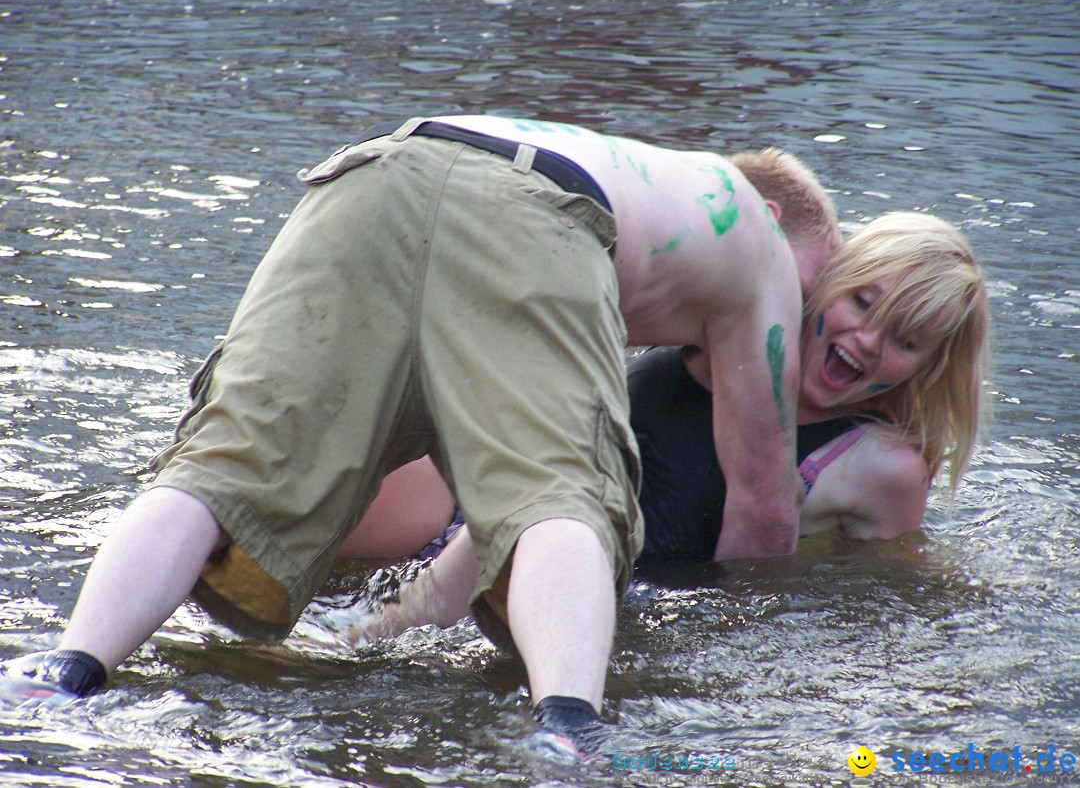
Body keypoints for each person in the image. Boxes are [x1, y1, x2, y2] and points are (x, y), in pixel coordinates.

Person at [1, 115, 840, 754]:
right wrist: (739, 639)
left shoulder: (644, 177)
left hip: (371, 174)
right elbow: (764, 509)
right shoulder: (758, 241)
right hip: (530, 212)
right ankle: (568, 731)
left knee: (225, 462)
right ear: (772, 214)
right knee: (564, 490)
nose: (801, 324)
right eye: (811, 297)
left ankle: (67, 667)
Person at [331, 211, 990, 645]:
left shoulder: (881, 464)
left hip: (606, 584)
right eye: (862, 301)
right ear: (828, 281)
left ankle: (350, 642)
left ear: (927, 369)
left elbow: (882, 587)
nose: (867, 340)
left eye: (904, 340)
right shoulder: (737, 321)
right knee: (387, 434)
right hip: (492, 506)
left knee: (437, 605)